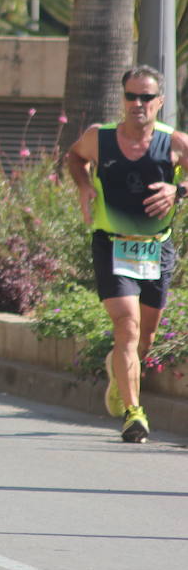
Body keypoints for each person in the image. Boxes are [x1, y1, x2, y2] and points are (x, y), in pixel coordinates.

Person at [65, 65, 188, 444]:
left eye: (146, 97)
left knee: (145, 337)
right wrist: (85, 186)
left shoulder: (174, 142)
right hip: (113, 243)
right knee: (127, 325)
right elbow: (74, 157)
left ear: (160, 102)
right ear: (122, 99)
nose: (138, 104)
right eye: (131, 96)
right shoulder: (99, 138)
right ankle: (134, 413)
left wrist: (177, 191)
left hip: (156, 247)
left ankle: (120, 380)